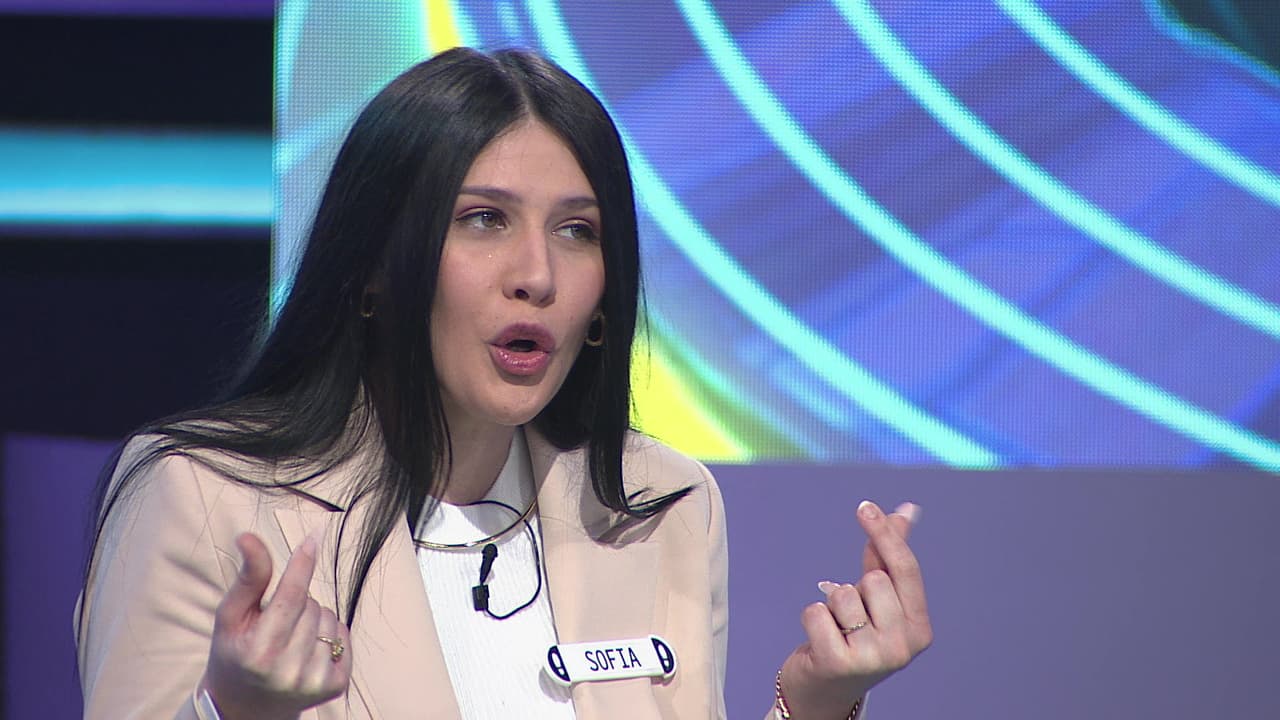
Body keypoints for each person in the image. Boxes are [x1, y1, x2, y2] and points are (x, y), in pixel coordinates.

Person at [75, 47, 931, 719]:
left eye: (577, 231)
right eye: (484, 220)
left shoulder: (661, 506)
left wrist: (813, 706)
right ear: (372, 267)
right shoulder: (204, 496)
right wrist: (235, 712)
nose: (538, 275)